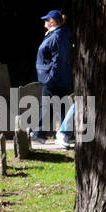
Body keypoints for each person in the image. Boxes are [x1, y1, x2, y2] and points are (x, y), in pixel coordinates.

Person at [34, 9, 75, 148]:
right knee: (53, 106)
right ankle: (41, 133)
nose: (44, 21)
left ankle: (45, 133)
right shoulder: (55, 34)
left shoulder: (57, 36)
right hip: (54, 78)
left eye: (47, 19)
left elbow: (59, 59)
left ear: (53, 22)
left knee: (54, 106)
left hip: (55, 79)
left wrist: (51, 78)